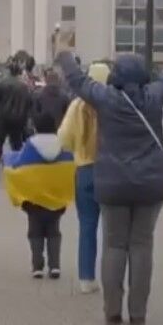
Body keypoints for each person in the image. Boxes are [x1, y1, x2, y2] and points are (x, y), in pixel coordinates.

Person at [56, 12, 163, 325]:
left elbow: (77, 80)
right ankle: (138, 314)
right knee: (142, 244)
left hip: (113, 182)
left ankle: (112, 311)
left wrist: (63, 48)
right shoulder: (155, 97)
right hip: (149, 184)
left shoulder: (106, 99)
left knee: (114, 244)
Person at [5, 104, 76, 279]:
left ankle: (37, 266)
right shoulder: (63, 146)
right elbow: (71, 167)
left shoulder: (30, 145)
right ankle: (55, 266)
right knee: (54, 231)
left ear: (36, 127)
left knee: (35, 231)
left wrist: (6, 159)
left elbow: (18, 164)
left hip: (34, 200)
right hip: (56, 198)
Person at [57, 61, 108, 294]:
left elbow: (64, 139)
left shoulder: (77, 106)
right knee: (113, 229)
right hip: (110, 170)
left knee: (87, 226)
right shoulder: (113, 103)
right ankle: (112, 275)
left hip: (84, 170)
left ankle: (86, 278)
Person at [0, 63, 35, 174]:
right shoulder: (23, 86)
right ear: (18, 72)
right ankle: (18, 165)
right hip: (17, 118)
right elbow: (28, 103)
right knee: (16, 142)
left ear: (8, 71)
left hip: (2, 117)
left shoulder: (1, 84)